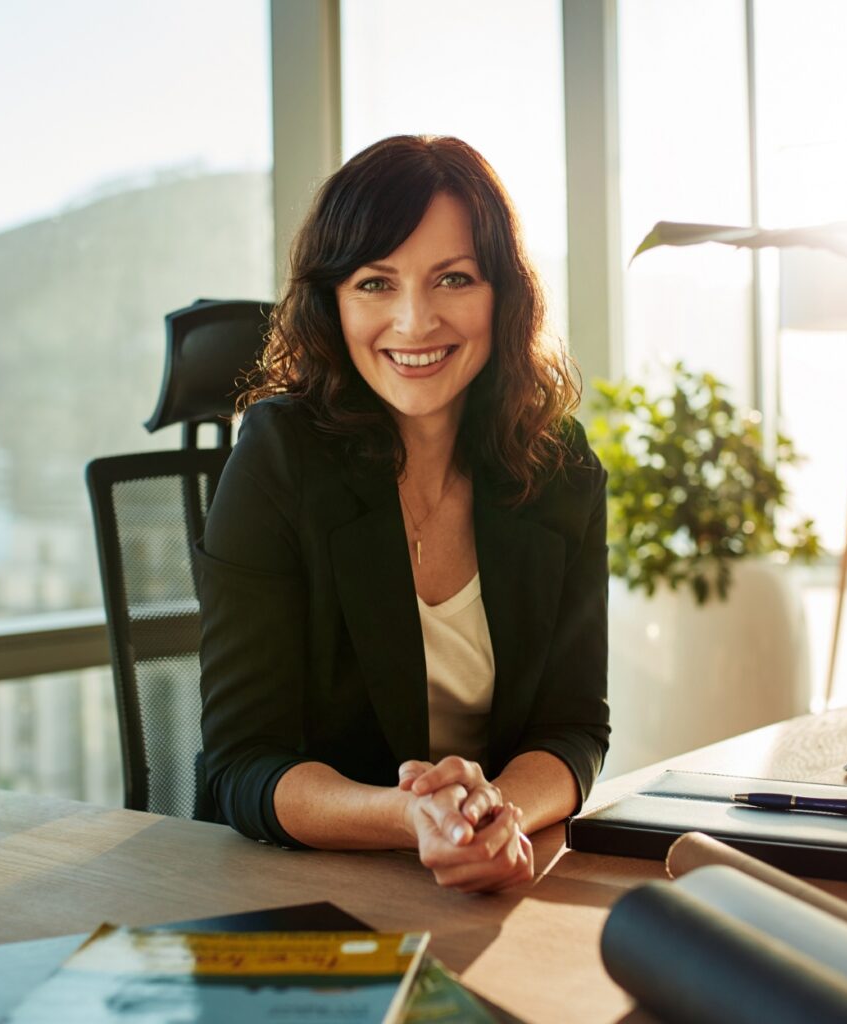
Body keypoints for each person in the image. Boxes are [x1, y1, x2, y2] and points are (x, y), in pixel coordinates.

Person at [196, 135, 609, 894]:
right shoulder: (279, 457)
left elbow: (573, 727)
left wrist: (493, 813)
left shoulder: (559, 467)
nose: (415, 322)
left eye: (452, 278)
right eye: (375, 283)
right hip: (302, 888)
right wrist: (410, 818)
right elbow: (242, 762)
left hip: (493, 884)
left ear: (502, 294)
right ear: (333, 301)